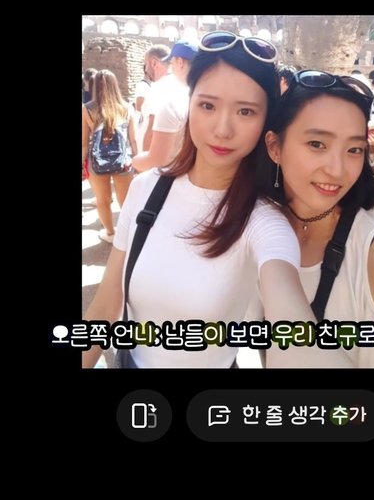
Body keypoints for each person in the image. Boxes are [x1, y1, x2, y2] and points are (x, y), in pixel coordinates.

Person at [82, 31, 321, 369]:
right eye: (208, 105)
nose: (222, 129)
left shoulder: (264, 221)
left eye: (246, 111)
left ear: (266, 122)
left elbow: (293, 319)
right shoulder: (146, 189)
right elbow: (105, 306)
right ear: (190, 102)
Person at [252, 69, 374, 368]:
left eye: (354, 149)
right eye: (317, 144)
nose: (337, 170)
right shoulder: (259, 225)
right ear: (274, 147)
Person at [82, 70, 138, 243]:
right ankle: (128, 234)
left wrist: (83, 163)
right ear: (115, 85)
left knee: (102, 200)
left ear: (95, 87)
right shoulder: (127, 107)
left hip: (97, 162)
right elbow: (133, 140)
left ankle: (110, 233)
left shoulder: (86, 109)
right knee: (126, 201)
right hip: (123, 161)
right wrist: (138, 162)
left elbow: (84, 143)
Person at [133, 39, 198, 172]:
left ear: (180, 62)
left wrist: (139, 164)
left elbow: (151, 132)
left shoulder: (162, 90)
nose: (171, 68)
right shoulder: (200, 92)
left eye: (172, 63)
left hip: (168, 169)